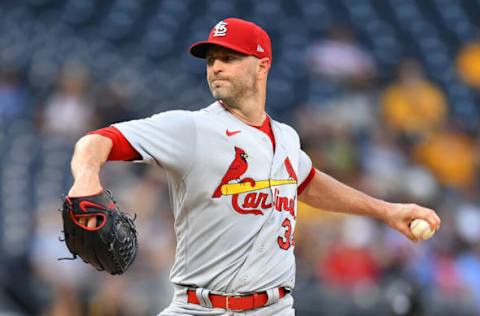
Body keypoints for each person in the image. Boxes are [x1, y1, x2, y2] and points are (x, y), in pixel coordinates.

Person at [66, 18, 441, 315]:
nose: (216, 67)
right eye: (211, 59)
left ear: (262, 66)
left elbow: (307, 182)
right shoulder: (192, 128)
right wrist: (86, 178)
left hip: (275, 309)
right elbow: (95, 141)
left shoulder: (287, 137)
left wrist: (387, 210)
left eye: (229, 58)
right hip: (199, 308)